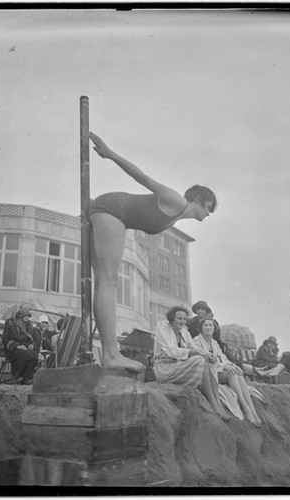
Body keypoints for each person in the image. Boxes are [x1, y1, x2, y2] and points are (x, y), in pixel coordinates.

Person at [89, 132, 217, 373]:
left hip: (110, 212)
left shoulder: (176, 216)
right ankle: (111, 355)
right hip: (112, 210)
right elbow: (142, 177)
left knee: (103, 281)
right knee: (108, 280)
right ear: (199, 199)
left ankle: (109, 354)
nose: (209, 213)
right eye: (209, 207)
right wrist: (110, 154)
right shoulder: (177, 201)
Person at [153, 306, 230, 420]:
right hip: (164, 368)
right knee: (200, 360)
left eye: (184, 319)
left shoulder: (185, 332)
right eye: (179, 318)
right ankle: (212, 403)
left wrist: (209, 355)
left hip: (178, 365)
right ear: (171, 319)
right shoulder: (162, 330)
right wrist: (198, 353)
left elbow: (194, 347)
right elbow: (172, 351)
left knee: (207, 360)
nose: (183, 321)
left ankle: (217, 402)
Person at [194, 316, 262, 426]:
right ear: (200, 328)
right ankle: (245, 408)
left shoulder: (214, 343)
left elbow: (223, 357)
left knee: (238, 372)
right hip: (207, 373)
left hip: (217, 370)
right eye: (205, 325)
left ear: (214, 328)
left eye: (210, 325)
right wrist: (224, 366)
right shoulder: (196, 341)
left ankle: (253, 411)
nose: (208, 327)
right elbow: (204, 359)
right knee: (232, 373)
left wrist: (231, 365)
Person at [2, 306, 39, 385]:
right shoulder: (10, 323)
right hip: (12, 350)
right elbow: (5, 339)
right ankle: (16, 375)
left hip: (24, 350)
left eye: (28, 316)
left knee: (35, 356)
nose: (28, 318)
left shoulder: (28, 325)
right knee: (27, 355)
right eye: (26, 316)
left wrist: (31, 345)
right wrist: (17, 346)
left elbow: (30, 339)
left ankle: (25, 379)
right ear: (20, 316)